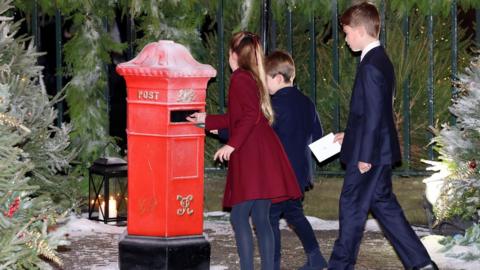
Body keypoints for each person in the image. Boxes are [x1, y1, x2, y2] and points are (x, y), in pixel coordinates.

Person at [328, 2, 438, 270]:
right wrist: (350, 135)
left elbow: (376, 115)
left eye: (346, 33)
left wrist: (364, 154)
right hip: (377, 150)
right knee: (385, 208)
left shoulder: (371, 65)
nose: (345, 39)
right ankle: (422, 264)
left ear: (359, 29)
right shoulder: (380, 60)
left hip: (370, 155)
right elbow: (371, 112)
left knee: (351, 208)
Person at [187, 31, 302, 270]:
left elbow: (248, 116)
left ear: (233, 55)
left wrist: (231, 144)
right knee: (260, 219)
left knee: (239, 217)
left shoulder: (240, 77)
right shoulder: (253, 77)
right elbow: (239, 116)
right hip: (262, 150)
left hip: (251, 153)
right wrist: (208, 120)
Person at [265, 50, 327, 270]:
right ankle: (315, 257)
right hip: (298, 175)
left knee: (269, 219)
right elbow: (318, 137)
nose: (265, 86)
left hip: (277, 176)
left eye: (266, 80)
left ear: (278, 78)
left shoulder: (273, 106)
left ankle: (271, 265)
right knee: (295, 215)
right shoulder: (307, 102)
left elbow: (261, 139)